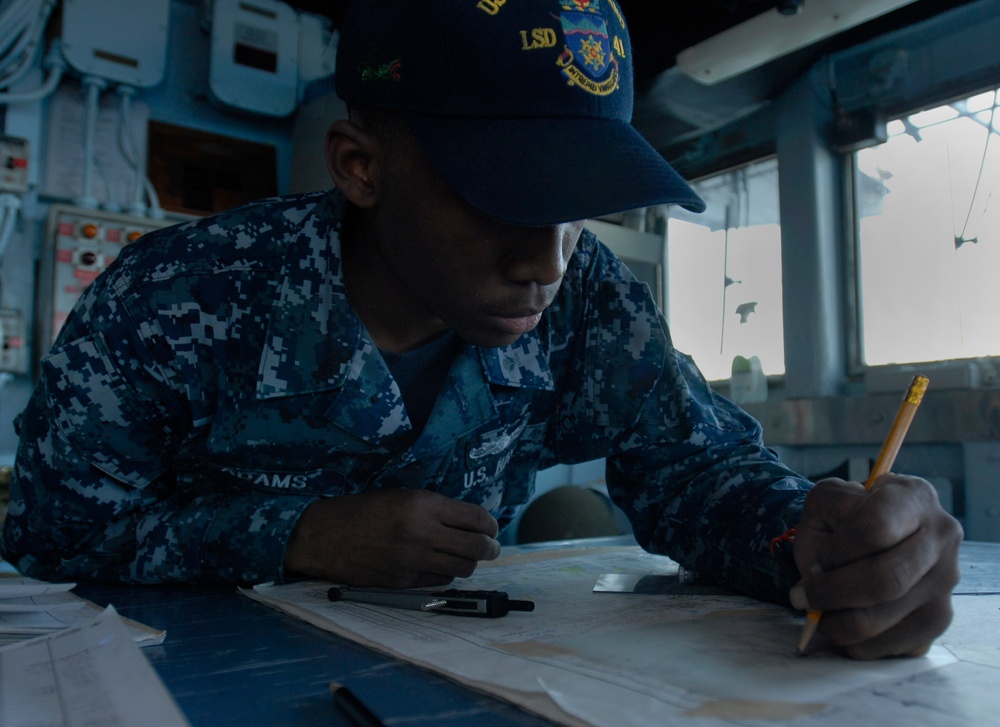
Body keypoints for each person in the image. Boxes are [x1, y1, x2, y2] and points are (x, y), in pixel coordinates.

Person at [1, 0, 960, 660]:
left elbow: (695, 473)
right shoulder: (179, 296)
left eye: (578, 205)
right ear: (360, 166)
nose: (543, 261)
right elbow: (51, 538)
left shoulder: (586, 293)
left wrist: (812, 541)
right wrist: (296, 533)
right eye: (502, 194)